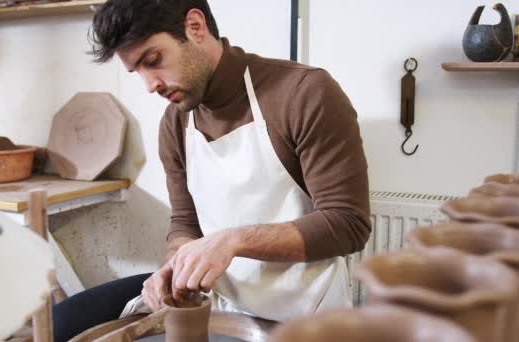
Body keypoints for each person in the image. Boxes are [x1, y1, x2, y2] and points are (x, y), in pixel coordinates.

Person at [53, 0, 371, 340]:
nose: (150, 85)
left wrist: (233, 240)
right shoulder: (175, 124)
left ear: (195, 27)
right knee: (62, 323)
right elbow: (185, 224)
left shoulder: (304, 93)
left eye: (153, 60)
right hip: (221, 306)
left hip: (307, 315)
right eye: (138, 71)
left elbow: (348, 223)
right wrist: (175, 266)